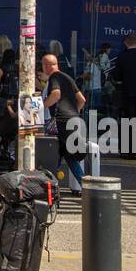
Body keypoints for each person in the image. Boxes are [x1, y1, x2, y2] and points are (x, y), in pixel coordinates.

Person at [43, 52, 87, 191]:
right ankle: (86, 187)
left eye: (43, 64)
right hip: (74, 121)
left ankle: (47, 187)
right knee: (68, 155)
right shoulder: (67, 77)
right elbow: (82, 100)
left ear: (47, 66)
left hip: (61, 123)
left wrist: (40, 107)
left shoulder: (54, 77)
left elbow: (56, 95)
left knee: (48, 152)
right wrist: (73, 114)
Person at [112, 34, 136, 155]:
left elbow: (116, 76)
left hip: (128, 92)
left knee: (128, 121)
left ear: (125, 43)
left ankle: (128, 150)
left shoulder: (122, 57)